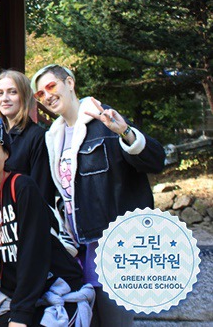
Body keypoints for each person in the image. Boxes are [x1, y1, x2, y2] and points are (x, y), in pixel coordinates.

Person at [31, 64, 165, 326]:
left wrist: (125, 132)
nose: (47, 96)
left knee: (115, 321)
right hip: (76, 247)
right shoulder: (53, 136)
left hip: (113, 244)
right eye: (39, 94)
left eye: (51, 86)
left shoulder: (104, 121)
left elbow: (155, 160)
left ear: (69, 83)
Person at [0, 117, 93, 327]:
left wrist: (20, 316)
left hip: (55, 287)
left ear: (5, 154)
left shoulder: (22, 187)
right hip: (12, 296)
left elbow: (34, 252)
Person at [0, 70, 56, 204]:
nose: (5, 98)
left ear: (24, 96)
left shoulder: (37, 137)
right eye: (0, 93)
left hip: (26, 215)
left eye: (12, 92)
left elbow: (42, 191)